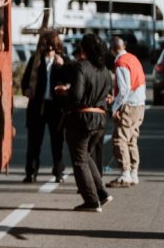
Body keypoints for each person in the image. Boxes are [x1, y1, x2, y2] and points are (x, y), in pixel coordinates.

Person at [56, 33, 114, 212]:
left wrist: (65, 92)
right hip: (100, 119)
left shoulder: (82, 67)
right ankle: (102, 193)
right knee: (87, 156)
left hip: (83, 119)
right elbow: (106, 95)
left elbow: (77, 96)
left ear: (84, 49)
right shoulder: (104, 70)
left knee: (80, 161)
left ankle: (91, 200)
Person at [21, 29, 70, 183]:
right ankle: (31, 172)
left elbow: (72, 81)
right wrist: (26, 90)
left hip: (56, 107)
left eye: (52, 46)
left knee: (57, 143)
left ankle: (58, 172)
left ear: (57, 46)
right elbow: (25, 81)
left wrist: (64, 66)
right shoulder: (35, 61)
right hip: (38, 106)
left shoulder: (63, 61)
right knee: (34, 142)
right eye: (47, 46)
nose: (49, 50)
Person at [107, 35, 146, 187]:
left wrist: (114, 107)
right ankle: (133, 173)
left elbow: (124, 90)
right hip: (139, 104)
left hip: (129, 105)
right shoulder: (133, 58)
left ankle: (125, 173)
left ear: (113, 48)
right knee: (132, 140)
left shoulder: (121, 62)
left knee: (119, 139)